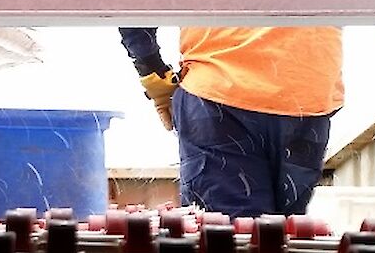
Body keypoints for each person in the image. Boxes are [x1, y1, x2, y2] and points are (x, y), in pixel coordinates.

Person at [121, 27, 344, 217]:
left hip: (218, 93)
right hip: (307, 89)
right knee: (279, 241)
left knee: (225, 242)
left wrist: (151, 68)